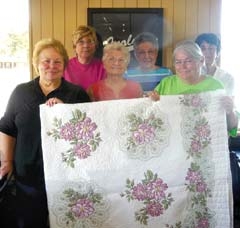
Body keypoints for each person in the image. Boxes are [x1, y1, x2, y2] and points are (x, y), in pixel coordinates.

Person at [0, 38, 90, 228]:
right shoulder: (21, 92)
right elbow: (7, 128)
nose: (52, 66)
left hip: (67, 176)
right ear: (36, 64)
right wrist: (7, 162)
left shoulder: (77, 94)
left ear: (64, 65)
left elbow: (88, 134)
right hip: (28, 177)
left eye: (57, 61)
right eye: (46, 61)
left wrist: (67, 113)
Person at [149, 40, 238, 136]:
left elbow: (231, 127)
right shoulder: (166, 83)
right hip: (174, 144)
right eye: (178, 62)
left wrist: (230, 112)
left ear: (201, 61)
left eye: (188, 61)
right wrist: (152, 103)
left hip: (203, 145)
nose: (183, 66)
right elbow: (151, 117)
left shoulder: (215, 86)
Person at [64, 25, 106, 90]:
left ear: (95, 46)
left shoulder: (103, 67)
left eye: (90, 41)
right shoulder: (65, 66)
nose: (86, 45)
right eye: (81, 42)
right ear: (74, 47)